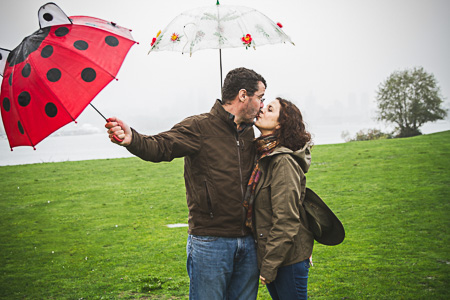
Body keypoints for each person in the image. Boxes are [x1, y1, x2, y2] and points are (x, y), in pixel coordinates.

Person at [105, 67, 266, 300]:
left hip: (249, 242)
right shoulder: (199, 127)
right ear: (243, 95)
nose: (262, 104)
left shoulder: (252, 134)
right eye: (260, 97)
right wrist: (133, 139)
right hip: (211, 242)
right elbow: (161, 146)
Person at [245, 97, 314, 299]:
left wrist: (269, 265)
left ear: (280, 123)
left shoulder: (282, 162)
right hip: (276, 256)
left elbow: (286, 220)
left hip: (288, 259)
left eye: (269, 109)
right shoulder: (263, 156)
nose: (261, 110)